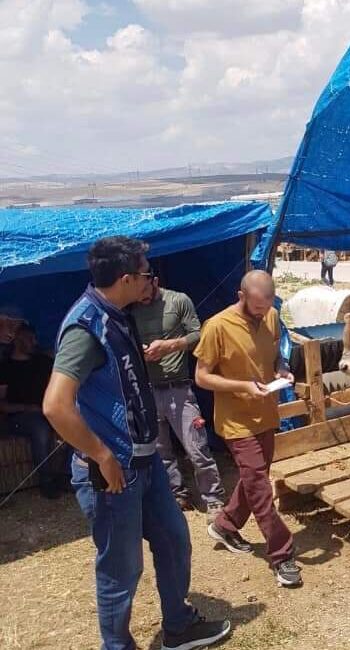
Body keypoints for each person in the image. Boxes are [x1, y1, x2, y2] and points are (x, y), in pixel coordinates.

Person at [43, 236, 230, 650]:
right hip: (114, 475)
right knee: (121, 569)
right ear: (126, 278)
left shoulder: (119, 313)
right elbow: (55, 405)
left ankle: (178, 627)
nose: (151, 280)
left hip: (146, 464)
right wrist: (101, 454)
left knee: (174, 540)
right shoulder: (86, 327)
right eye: (146, 274)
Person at [194, 270, 302, 587]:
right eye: (256, 308)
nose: (262, 314)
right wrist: (242, 385)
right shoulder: (216, 326)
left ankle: (225, 524)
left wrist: (282, 369)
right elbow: (202, 377)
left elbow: (274, 358)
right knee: (259, 484)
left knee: (252, 478)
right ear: (241, 296)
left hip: (265, 414)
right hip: (235, 420)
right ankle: (282, 554)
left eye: (266, 307)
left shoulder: (271, 316)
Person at [132, 276, 225, 520]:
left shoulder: (178, 300)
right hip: (148, 390)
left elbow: (198, 334)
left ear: (154, 281)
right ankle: (178, 494)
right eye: (136, 293)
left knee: (197, 448)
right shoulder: (130, 307)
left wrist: (169, 346)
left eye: (144, 291)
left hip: (179, 389)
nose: (141, 297)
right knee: (161, 451)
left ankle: (213, 499)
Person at [0, 322, 62, 498]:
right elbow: (2, 404)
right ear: (17, 340)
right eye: (29, 338)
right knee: (39, 427)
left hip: (49, 410)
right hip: (19, 418)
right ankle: (46, 481)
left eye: (35, 338)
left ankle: (67, 474)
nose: (34, 342)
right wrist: (28, 407)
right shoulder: (5, 367)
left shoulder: (44, 362)